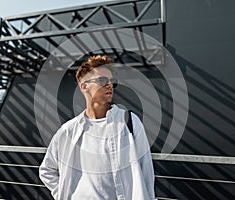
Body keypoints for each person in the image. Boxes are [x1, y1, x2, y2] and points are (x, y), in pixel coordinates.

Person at [39, 55, 156, 200]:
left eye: (112, 81)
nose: (109, 85)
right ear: (84, 86)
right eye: (102, 80)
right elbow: (47, 170)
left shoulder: (129, 122)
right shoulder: (68, 130)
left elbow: (146, 172)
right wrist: (64, 194)